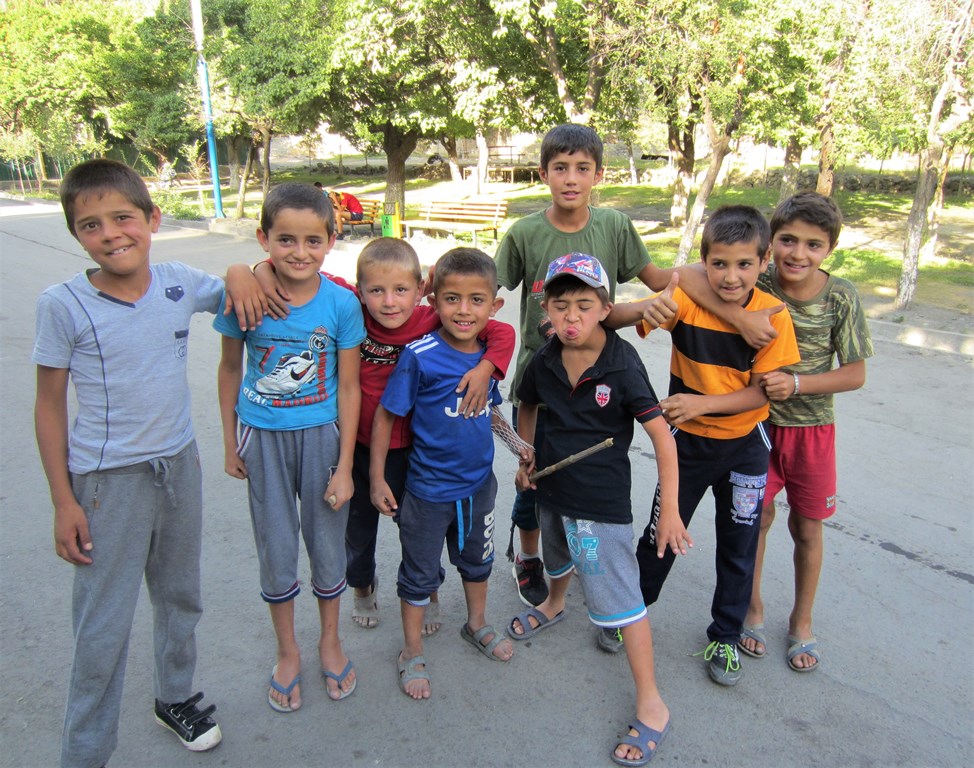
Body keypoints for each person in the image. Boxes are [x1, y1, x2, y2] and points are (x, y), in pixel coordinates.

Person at [494, 122, 779, 653]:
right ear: (544, 174)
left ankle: (594, 580)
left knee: (585, 480)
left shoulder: (614, 227)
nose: (571, 178)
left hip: (598, 377)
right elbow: (485, 289)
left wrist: (736, 318)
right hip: (543, 373)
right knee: (532, 482)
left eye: (583, 168)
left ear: (598, 174)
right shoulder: (525, 233)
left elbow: (668, 281)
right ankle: (531, 556)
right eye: (560, 168)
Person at [32, 158, 260, 766]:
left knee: (181, 596)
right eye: (91, 225)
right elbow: (49, 407)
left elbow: (235, 290)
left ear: (153, 219)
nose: (111, 234)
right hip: (107, 482)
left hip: (177, 466)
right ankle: (85, 750)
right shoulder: (63, 305)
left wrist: (239, 266)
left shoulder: (178, 282)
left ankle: (175, 697)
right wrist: (64, 501)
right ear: (77, 235)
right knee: (103, 625)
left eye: (123, 218)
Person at [242, 238, 515, 634]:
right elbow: (299, 271)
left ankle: (428, 587)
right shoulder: (351, 306)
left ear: (423, 290)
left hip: (414, 450)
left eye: (402, 291)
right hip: (355, 442)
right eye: (377, 291)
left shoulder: (432, 317)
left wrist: (488, 366)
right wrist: (254, 270)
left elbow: (500, 330)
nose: (389, 302)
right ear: (360, 289)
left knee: (417, 527)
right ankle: (361, 585)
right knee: (357, 527)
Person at [508, 253, 686, 766]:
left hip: (600, 506)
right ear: (546, 309)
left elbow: (662, 437)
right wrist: (527, 453)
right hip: (551, 489)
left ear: (606, 309)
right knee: (557, 555)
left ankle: (652, 704)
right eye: (560, 305)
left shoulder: (622, 364)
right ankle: (555, 604)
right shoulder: (543, 360)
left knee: (620, 597)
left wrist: (669, 511)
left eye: (584, 305)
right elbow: (527, 403)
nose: (571, 317)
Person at [614, 205, 800, 687]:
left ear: (764, 263)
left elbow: (763, 390)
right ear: (704, 262)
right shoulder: (690, 302)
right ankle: (630, 611)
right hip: (687, 448)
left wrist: (701, 405)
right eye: (718, 263)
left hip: (744, 445)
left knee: (740, 543)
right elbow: (642, 308)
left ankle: (726, 635)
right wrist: (653, 308)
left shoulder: (774, 317)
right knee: (662, 532)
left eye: (744, 264)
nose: (731, 276)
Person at [214, 182, 366, 713]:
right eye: (285, 240)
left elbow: (349, 387)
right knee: (276, 547)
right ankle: (287, 651)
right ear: (263, 239)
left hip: (322, 439)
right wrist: (230, 440)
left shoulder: (342, 304)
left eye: (312, 240)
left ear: (330, 241)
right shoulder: (244, 296)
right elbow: (230, 368)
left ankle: (330, 640)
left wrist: (345, 466)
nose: (299, 252)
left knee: (327, 545)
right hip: (263, 438)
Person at [370, 247, 515, 700]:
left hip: (479, 489)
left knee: (478, 563)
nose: (464, 310)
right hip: (429, 493)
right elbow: (386, 417)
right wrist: (377, 478)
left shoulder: (490, 356)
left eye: (476, 300)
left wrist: (518, 446)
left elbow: (489, 411)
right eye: (452, 299)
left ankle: (476, 624)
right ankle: (410, 650)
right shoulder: (420, 355)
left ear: (494, 306)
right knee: (418, 573)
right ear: (432, 300)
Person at [737, 192, 873, 672]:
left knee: (807, 526)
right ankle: (751, 608)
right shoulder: (759, 278)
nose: (799, 253)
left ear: (829, 250)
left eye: (813, 245)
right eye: (788, 240)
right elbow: (697, 273)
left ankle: (802, 621)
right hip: (756, 427)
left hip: (813, 431)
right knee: (754, 519)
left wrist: (796, 384)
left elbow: (854, 373)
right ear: (771, 243)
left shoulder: (841, 296)